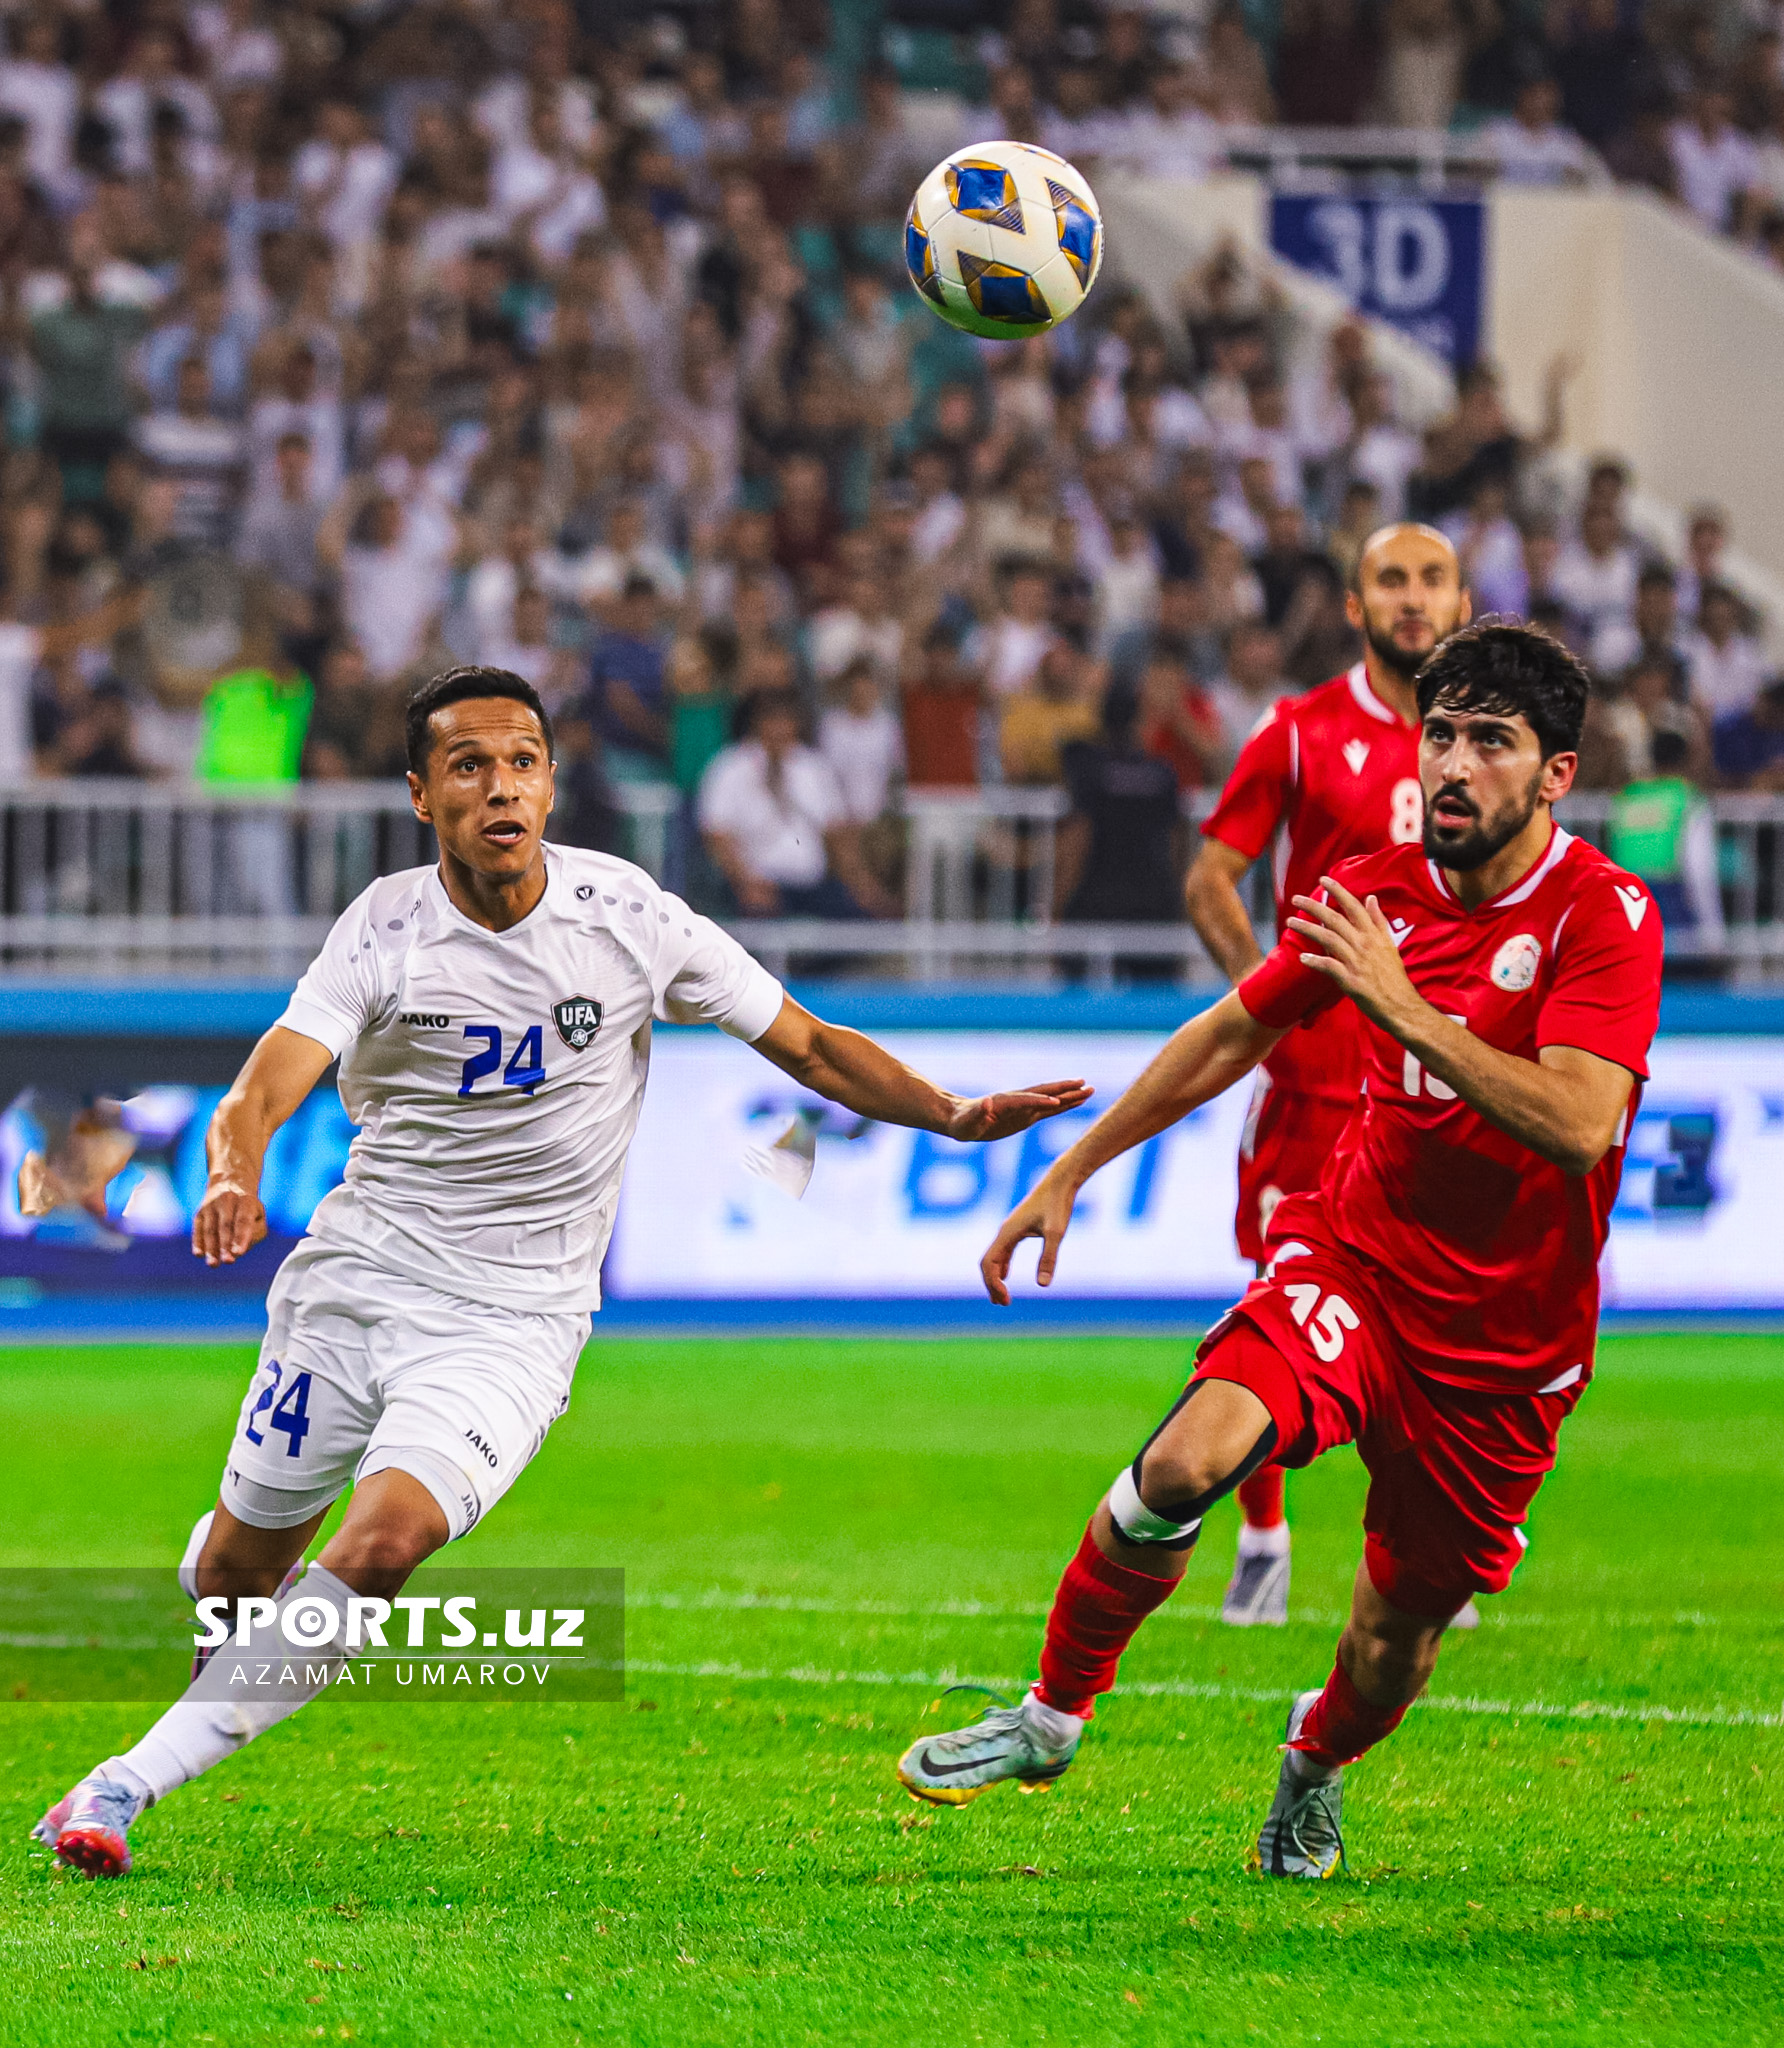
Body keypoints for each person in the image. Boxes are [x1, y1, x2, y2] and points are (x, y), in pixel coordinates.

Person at [35, 664, 1093, 1879]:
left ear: (551, 779)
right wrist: (232, 1168)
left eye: (524, 761)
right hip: (355, 1281)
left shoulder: (628, 916)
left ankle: (120, 1785)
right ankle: (222, 1601)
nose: (503, 786)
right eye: (470, 765)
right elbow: (266, 1079)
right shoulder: (381, 925)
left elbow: (804, 1041)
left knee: (381, 1545)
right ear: (422, 795)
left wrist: (952, 1113)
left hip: (512, 1322)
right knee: (234, 1581)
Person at [897, 622, 1664, 1880]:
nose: (1452, 764)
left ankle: (1309, 1765)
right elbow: (1223, 1033)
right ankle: (1049, 1712)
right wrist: (1071, 1167)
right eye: (1439, 733)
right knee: (1186, 1456)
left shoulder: (1602, 915)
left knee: (1389, 1642)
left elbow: (1579, 1125)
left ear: (1554, 774)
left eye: (1490, 740)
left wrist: (1399, 1001)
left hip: (1502, 1346)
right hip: (1353, 1261)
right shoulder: (1378, 887)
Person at [1181, 524, 1471, 1627]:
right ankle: (1261, 1535)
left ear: (1458, 597)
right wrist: (1263, 997)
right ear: (1353, 607)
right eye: (1388, 581)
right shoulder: (1301, 732)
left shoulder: (1484, 744)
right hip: (1310, 1083)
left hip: (1441, 1081)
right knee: (1276, 1296)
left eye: (1428, 579)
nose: (1410, 599)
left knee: (1436, 1315)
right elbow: (1213, 873)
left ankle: (1418, 1536)